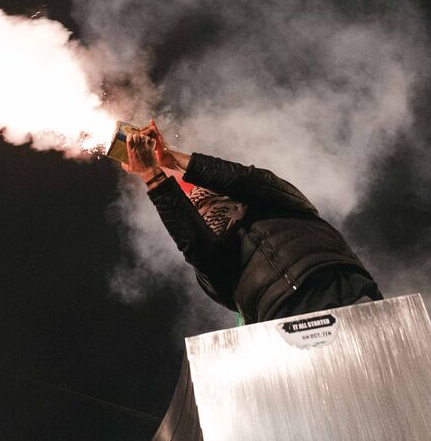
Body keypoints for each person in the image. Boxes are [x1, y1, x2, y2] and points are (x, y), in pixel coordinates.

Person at [121, 120, 381, 324]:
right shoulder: (211, 263)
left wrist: (171, 157)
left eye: (207, 197)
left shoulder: (275, 200)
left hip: (338, 284)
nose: (202, 205)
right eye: (197, 207)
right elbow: (197, 246)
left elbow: (246, 179)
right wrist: (153, 175)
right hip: (279, 317)